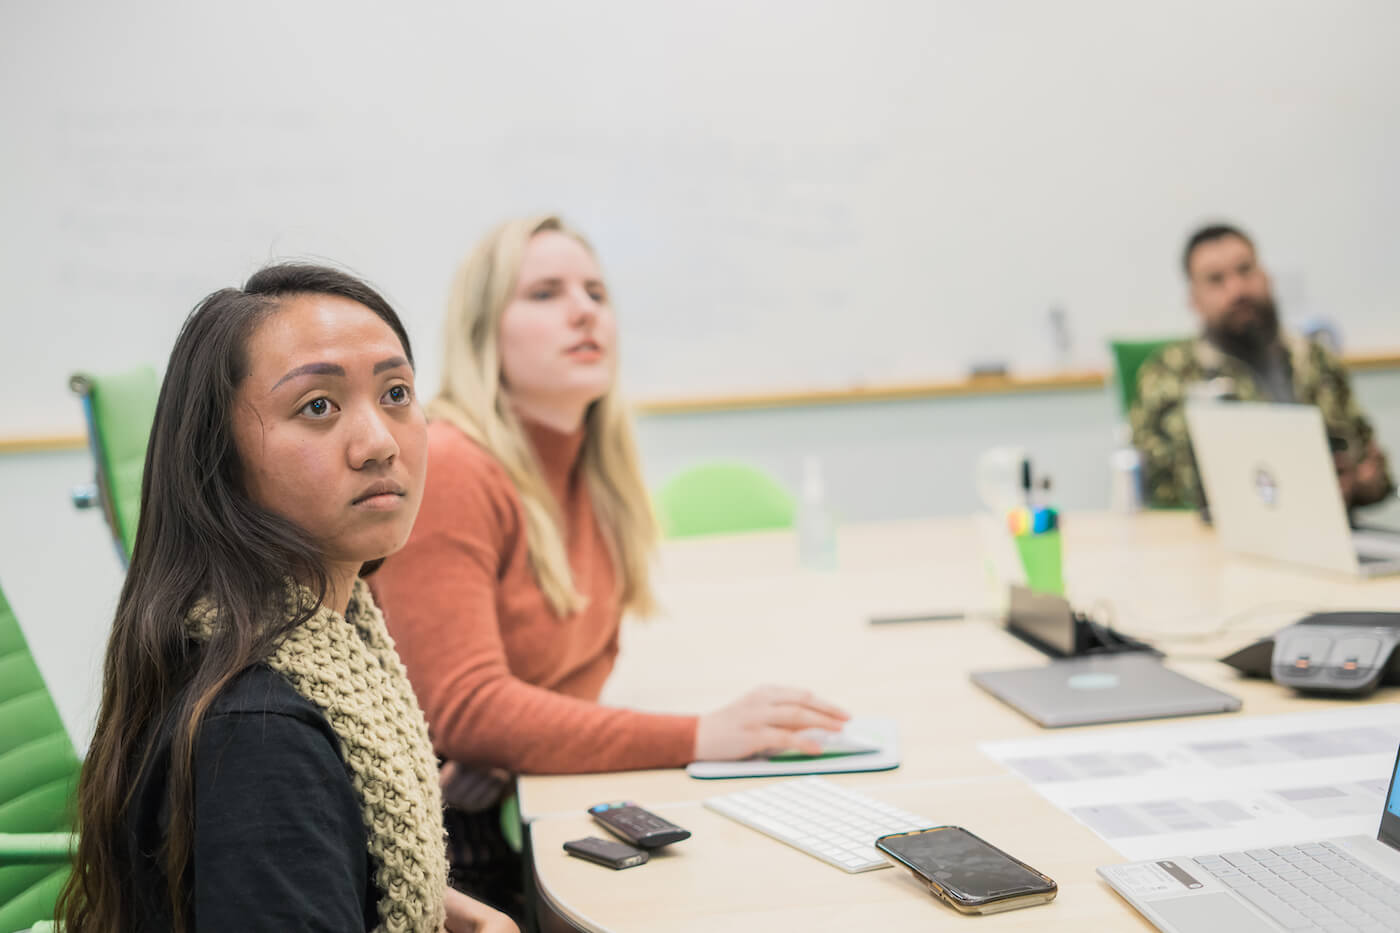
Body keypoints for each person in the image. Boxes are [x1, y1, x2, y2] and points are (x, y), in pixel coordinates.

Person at [371, 216, 848, 911]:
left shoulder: (596, 471)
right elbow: (469, 707)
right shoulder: (451, 464)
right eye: (544, 293)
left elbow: (572, 676)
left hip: (517, 798)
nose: (584, 310)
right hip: (444, 849)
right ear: (483, 331)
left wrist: (514, 743)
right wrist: (701, 736)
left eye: (596, 291)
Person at [58, 264, 516, 933]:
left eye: (396, 393)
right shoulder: (262, 732)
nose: (380, 443)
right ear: (220, 459)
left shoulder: (329, 634)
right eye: (318, 406)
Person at [1131, 223, 1393, 510]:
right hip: (1220, 544)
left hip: (1336, 533)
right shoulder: (1171, 374)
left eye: (1245, 270)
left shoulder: (1315, 360)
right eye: (1216, 280)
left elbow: (1373, 468)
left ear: (1266, 277)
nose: (1237, 289)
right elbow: (1164, 492)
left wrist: (1362, 484)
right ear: (1194, 300)